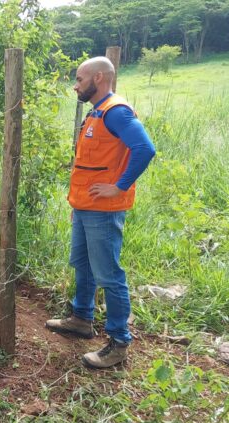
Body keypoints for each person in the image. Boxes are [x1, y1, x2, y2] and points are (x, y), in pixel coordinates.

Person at [45, 57, 156, 369]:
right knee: (82, 264)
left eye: (80, 79)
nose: (76, 85)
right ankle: (81, 318)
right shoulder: (96, 112)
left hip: (104, 211)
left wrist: (119, 187)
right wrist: (78, 205)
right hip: (85, 208)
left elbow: (145, 149)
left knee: (108, 273)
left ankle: (119, 342)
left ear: (99, 77)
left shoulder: (116, 111)